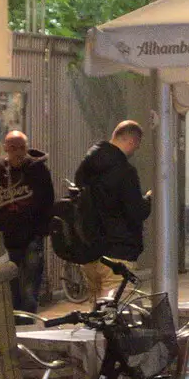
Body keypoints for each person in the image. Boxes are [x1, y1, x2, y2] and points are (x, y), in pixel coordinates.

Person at [74, 120, 151, 301]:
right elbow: (136, 212)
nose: (135, 151)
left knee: (97, 316)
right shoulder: (125, 171)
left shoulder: (86, 166)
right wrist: (148, 199)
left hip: (89, 251)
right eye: (137, 146)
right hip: (118, 254)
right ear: (132, 141)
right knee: (114, 316)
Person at [0, 130, 54, 312]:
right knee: (9, 288)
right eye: (13, 147)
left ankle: (27, 321)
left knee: (29, 287)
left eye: (21, 147)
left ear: (26, 148)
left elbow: (48, 200)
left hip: (31, 239)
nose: (17, 152)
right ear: (5, 148)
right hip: (6, 239)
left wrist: (40, 230)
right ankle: (13, 325)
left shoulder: (38, 170)